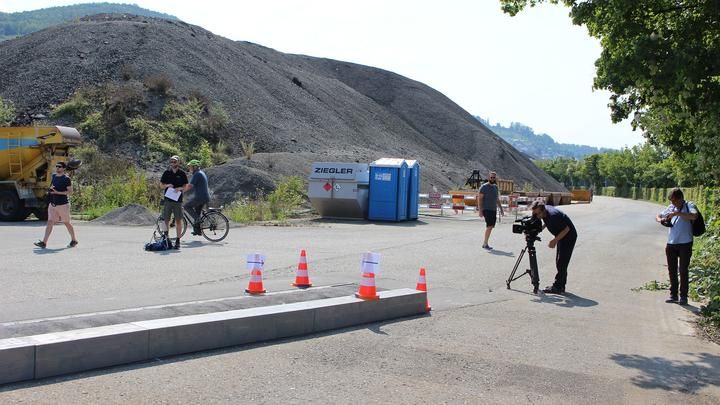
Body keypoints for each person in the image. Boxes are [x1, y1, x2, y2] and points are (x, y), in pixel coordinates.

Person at [656, 188, 697, 305]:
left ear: (680, 198)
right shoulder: (671, 207)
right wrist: (661, 220)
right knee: (672, 270)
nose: (672, 203)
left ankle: (683, 296)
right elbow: (658, 215)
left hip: (685, 243)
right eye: (671, 201)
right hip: (671, 243)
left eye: (674, 201)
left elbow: (694, 216)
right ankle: (673, 295)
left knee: (683, 270)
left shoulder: (689, 205)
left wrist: (677, 213)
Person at [530, 200, 577, 294]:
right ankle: (560, 286)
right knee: (559, 261)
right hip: (561, 236)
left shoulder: (553, 216)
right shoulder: (544, 211)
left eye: (537, 214)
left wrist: (555, 240)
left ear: (543, 211)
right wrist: (537, 231)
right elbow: (546, 222)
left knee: (561, 262)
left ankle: (558, 287)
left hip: (568, 237)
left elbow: (566, 229)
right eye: (534, 214)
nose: (536, 216)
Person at [34, 161, 78, 249]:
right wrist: (50, 190)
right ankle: (44, 242)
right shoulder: (53, 176)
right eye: (57, 166)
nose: (57, 168)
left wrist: (58, 192)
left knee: (66, 223)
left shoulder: (66, 179)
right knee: (50, 221)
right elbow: (52, 187)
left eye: (60, 166)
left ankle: (74, 240)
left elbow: (70, 192)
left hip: (63, 205)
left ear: (64, 168)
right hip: (53, 204)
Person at [160, 155, 188, 249]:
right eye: (171, 162)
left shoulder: (182, 173)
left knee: (178, 221)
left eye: (174, 162)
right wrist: (168, 185)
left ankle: (178, 241)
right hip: (168, 200)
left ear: (179, 162)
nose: (172, 163)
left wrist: (179, 188)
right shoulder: (166, 173)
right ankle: (166, 238)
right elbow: (161, 185)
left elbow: (186, 187)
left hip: (178, 201)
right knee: (165, 220)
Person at [478, 171, 504, 250]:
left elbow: (497, 199)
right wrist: (480, 210)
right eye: (491, 177)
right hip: (486, 209)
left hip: (493, 209)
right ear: (488, 177)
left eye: (494, 177)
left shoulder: (495, 187)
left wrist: (501, 209)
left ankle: (485, 242)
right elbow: (480, 199)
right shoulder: (483, 187)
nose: (492, 179)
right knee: (489, 226)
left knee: (491, 226)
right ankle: (485, 243)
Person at [184, 159, 210, 235]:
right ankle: (197, 230)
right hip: (204, 197)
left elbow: (190, 186)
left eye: (190, 167)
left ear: (195, 167)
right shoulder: (201, 173)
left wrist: (181, 191)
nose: (189, 168)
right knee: (197, 212)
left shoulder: (197, 174)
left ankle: (198, 220)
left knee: (186, 206)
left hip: (200, 197)